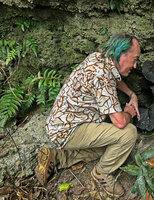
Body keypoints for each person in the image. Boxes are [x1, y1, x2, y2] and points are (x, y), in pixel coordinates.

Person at [35, 33, 141, 198]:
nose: (135, 65)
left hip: (61, 125)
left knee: (110, 146)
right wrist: (129, 112)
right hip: (69, 130)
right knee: (128, 133)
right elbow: (120, 122)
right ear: (121, 54)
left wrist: (131, 94)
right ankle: (102, 173)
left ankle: (57, 157)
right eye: (134, 59)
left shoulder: (100, 58)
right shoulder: (102, 76)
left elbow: (115, 78)